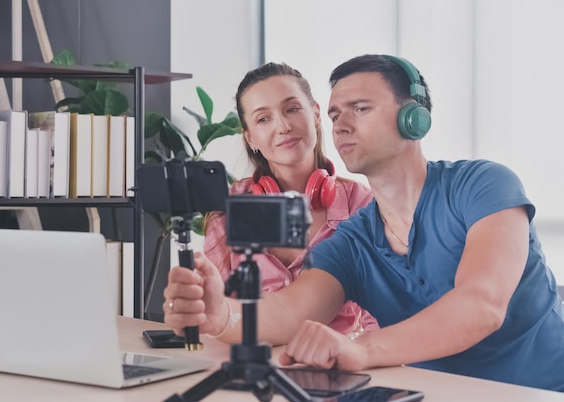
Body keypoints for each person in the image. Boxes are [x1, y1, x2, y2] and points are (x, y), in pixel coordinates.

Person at [163, 54, 564, 391]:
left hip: (540, 392)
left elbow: (482, 305)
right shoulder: (352, 240)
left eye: (360, 109)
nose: (340, 124)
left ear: (414, 119)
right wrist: (221, 315)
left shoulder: (483, 184)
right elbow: (288, 310)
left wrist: (362, 348)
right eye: (336, 113)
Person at [202, 62, 378, 337]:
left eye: (292, 109)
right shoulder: (230, 209)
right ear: (250, 138)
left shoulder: (361, 204)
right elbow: (214, 313)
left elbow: (378, 317)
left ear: (316, 114)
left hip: (339, 369)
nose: (283, 126)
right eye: (263, 119)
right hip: (250, 367)